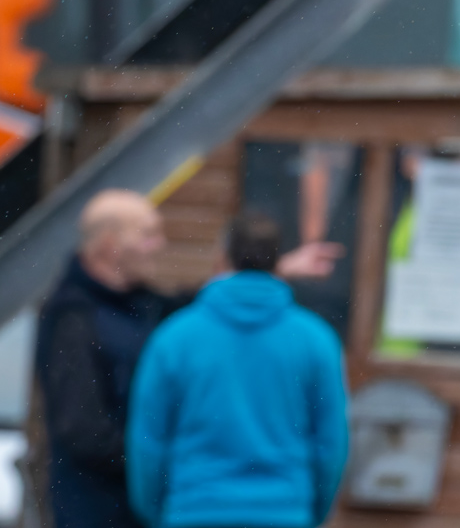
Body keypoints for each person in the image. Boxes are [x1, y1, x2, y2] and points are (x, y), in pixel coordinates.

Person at [35, 190, 344, 528]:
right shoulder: (72, 319)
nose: (160, 244)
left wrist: (268, 268)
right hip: (95, 512)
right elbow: (83, 430)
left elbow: (216, 300)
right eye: (148, 234)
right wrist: (164, 458)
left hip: (172, 506)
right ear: (111, 244)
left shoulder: (148, 311)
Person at [126, 210, 349, 528]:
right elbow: (331, 442)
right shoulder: (317, 340)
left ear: (222, 257)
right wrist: (311, 511)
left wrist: (158, 511)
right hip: (284, 512)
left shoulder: (174, 338)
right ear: (277, 262)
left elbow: (148, 442)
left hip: (193, 510)